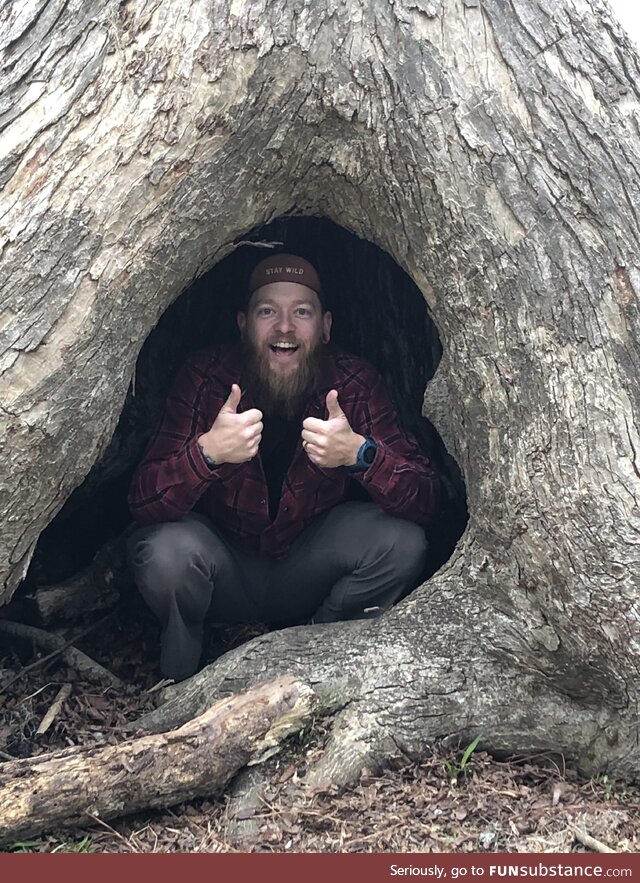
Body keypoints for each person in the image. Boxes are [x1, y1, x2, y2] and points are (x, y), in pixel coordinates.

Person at [128, 253, 441, 680]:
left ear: (326, 327)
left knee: (401, 541)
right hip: (223, 571)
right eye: (267, 311)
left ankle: (319, 651)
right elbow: (142, 501)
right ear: (243, 325)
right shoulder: (206, 376)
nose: (285, 327)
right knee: (165, 552)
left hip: (308, 567)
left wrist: (360, 455)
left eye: (302, 312)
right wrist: (207, 454)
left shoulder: (353, 382)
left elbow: (426, 498)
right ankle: (183, 675)